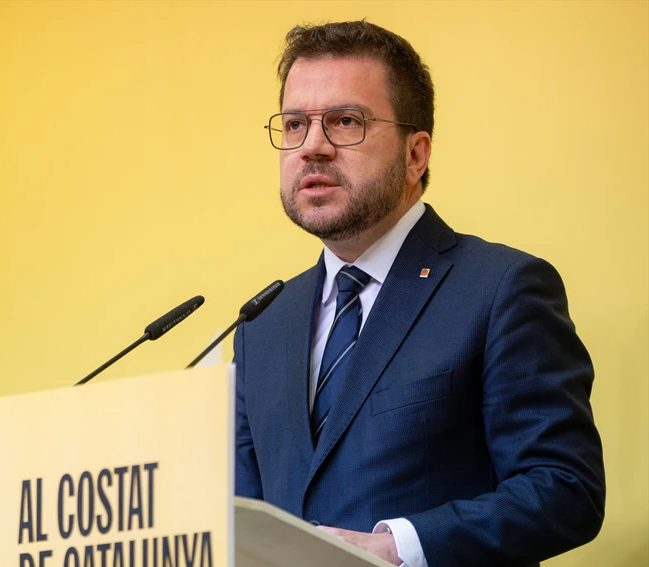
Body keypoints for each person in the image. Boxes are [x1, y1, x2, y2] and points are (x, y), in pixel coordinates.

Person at [233, 21, 605, 566]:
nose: (312, 147)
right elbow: (243, 514)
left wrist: (399, 547)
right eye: (294, 125)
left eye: (344, 121)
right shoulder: (262, 324)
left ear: (416, 154)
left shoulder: (502, 289)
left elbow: (566, 487)